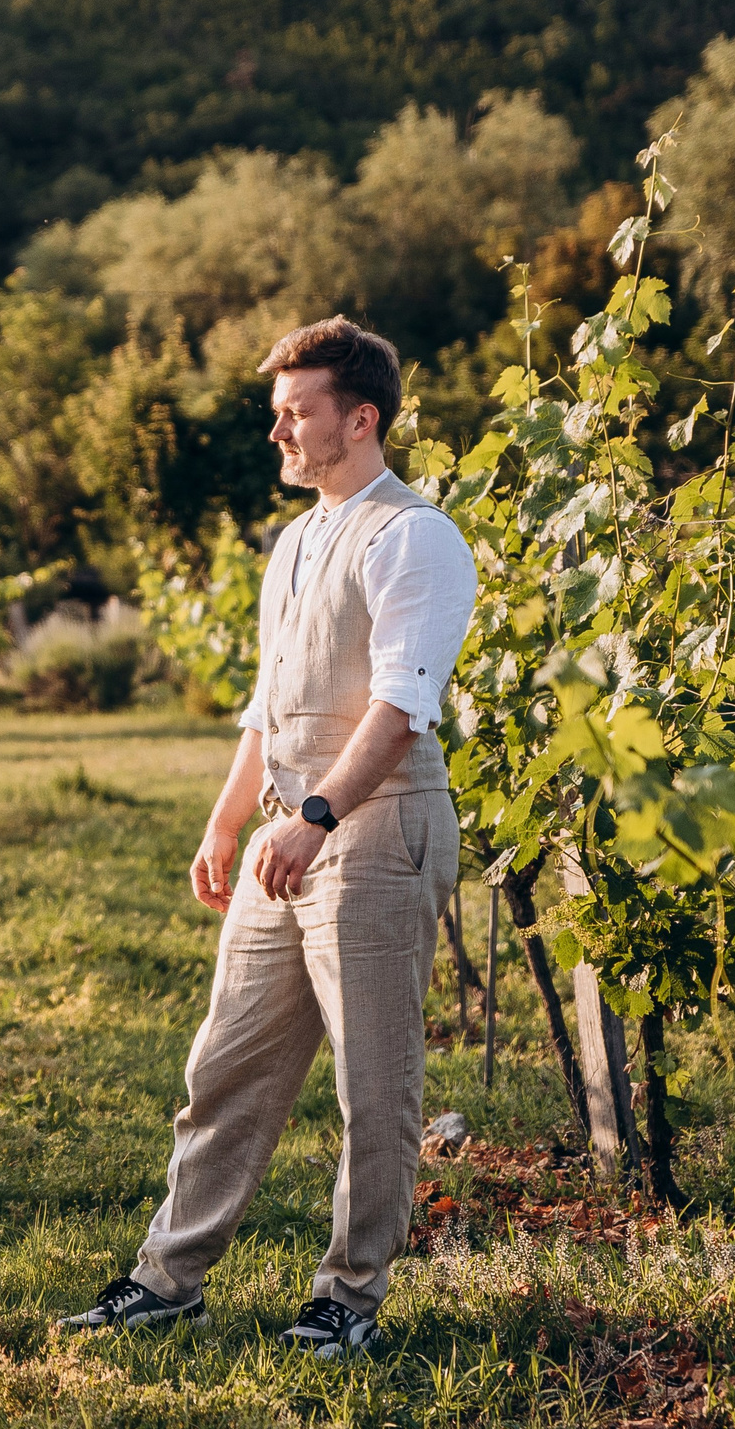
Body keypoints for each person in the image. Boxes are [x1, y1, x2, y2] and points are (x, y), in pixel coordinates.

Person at [58, 317, 477, 1360]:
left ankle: (349, 1296)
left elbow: (400, 705)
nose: (277, 432)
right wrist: (228, 812)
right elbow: (269, 697)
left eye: (297, 412)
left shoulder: (410, 536)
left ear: (360, 417)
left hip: (374, 825)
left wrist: (315, 817)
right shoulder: (294, 539)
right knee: (224, 1065)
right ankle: (167, 1280)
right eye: (277, 412)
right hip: (289, 827)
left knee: (373, 1085)